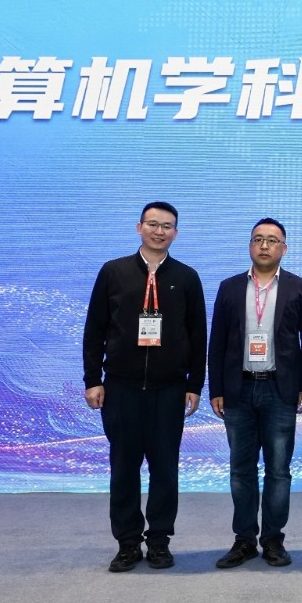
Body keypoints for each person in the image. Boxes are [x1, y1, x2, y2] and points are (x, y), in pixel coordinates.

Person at [82, 202, 206, 573]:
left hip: (169, 390)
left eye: (167, 226)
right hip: (121, 388)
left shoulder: (186, 277)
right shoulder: (114, 272)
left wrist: (194, 384)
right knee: (123, 468)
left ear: (176, 233)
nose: (159, 231)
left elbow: (198, 336)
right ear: (139, 227)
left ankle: (159, 541)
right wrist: (93, 379)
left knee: (165, 469)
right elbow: (95, 329)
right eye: (153, 224)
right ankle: (127, 543)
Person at [208, 219, 302, 570]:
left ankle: (273, 540)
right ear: (250, 245)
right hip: (238, 389)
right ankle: (244, 540)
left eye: (272, 240)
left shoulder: (299, 287)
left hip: (280, 390)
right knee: (241, 470)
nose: (264, 246)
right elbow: (218, 342)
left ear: (284, 248)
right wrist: (216, 388)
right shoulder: (230, 287)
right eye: (258, 239)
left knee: (278, 470)